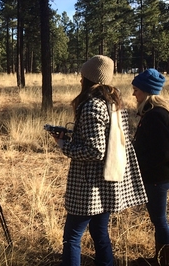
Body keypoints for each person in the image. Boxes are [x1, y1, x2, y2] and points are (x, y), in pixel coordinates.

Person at [50, 55, 147, 265]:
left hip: (89, 186)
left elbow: (95, 150)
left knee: (72, 237)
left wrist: (63, 145)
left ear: (88, 78)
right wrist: (71, 135)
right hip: (108, 182)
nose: (80, 80)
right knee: (99, 231)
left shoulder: (92, 105)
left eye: (82, 76)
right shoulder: (113, 103)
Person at [132, 69, 169, 266]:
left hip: (156, 178)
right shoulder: (153, 113)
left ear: (147, 92)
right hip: (156, 177)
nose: (133, 94)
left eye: (136, 90)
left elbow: (161, 152)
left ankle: (164, 260)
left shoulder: (156, 116)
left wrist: (144, 169)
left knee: (160, 220)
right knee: (159, 220)